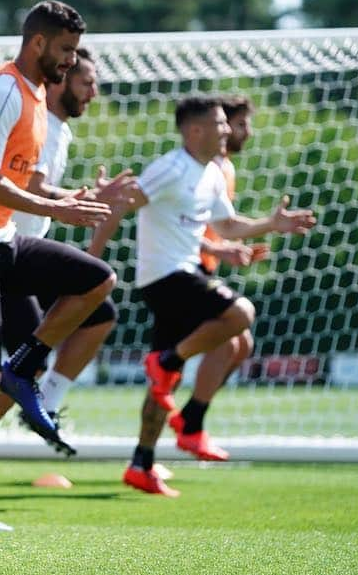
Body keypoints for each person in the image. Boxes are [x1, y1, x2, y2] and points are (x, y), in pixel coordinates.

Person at [0, 0, 115, 530]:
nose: (70, 62)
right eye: (66, 51)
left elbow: (22, 182)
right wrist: (55, 208)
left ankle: (25, 365)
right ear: (38, 44)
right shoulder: (3, 91)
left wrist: (66, 197)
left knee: (98, 282)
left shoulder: (32, 96)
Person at [90, 96, 315, 497]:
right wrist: (92, 260)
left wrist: (271, 224)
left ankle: (142, 462)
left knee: (166, 383)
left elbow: (226, 226)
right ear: (194, 130)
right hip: (164, 276)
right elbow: (124, 203)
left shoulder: (210, 173)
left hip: (184, 273)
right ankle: (177, 386)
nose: (227, 130)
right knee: (240, 316)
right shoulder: (170, 168)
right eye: (220, 124)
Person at [0, 49, 135, 459]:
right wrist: (77, 201)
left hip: (24, 259)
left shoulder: (59, 128)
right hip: (3, 255)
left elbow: (41, 190)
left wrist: (85, 198)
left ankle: (47, 402)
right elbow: (36, 190)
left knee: (99, 314)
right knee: (12, 368)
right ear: (62, 80)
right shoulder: (40, 121)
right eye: (86, 82)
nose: (93, 92)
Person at [166, 95, 267, 460]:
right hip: (182, 272)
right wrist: (217, 249)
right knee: (228, 343)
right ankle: (184, 427)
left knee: (240, 346)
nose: (243, 132)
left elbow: (218, 226)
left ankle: (189, 419)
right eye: (237, 124)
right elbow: (186, 227)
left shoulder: (222, 169)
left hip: (203, 268)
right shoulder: (203, 169)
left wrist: (229, 248)